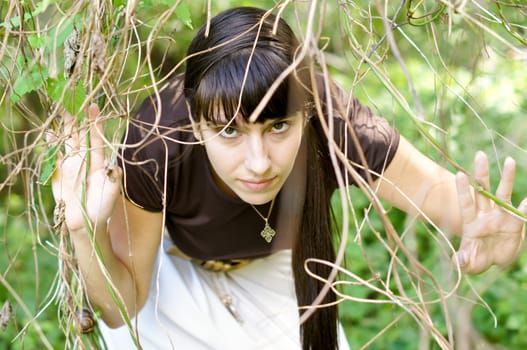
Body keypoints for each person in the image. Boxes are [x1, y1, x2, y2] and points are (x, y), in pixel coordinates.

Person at [50, 6, 527, 350]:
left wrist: (490, 232)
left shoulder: (335, 121)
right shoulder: (158, 140)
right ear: (197, 127)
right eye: (230, 133)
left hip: (278, 274)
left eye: (278, 126)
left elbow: (439, 195)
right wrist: (84, 230)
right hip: (172, 270)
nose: (259, 163)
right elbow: (121, 307)